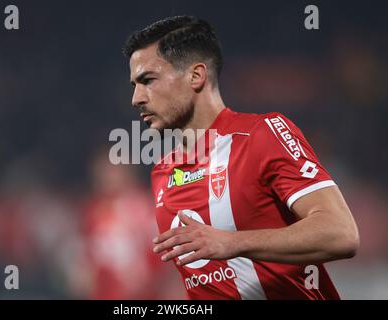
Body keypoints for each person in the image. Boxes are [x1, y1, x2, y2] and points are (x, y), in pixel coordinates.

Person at [123, 15, 359, 300]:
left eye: (148, 80)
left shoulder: (262, 134)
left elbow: (341, 233)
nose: (136, 98)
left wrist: (232, 242)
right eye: (134, 84)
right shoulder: (163, 172)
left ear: (196, 76)